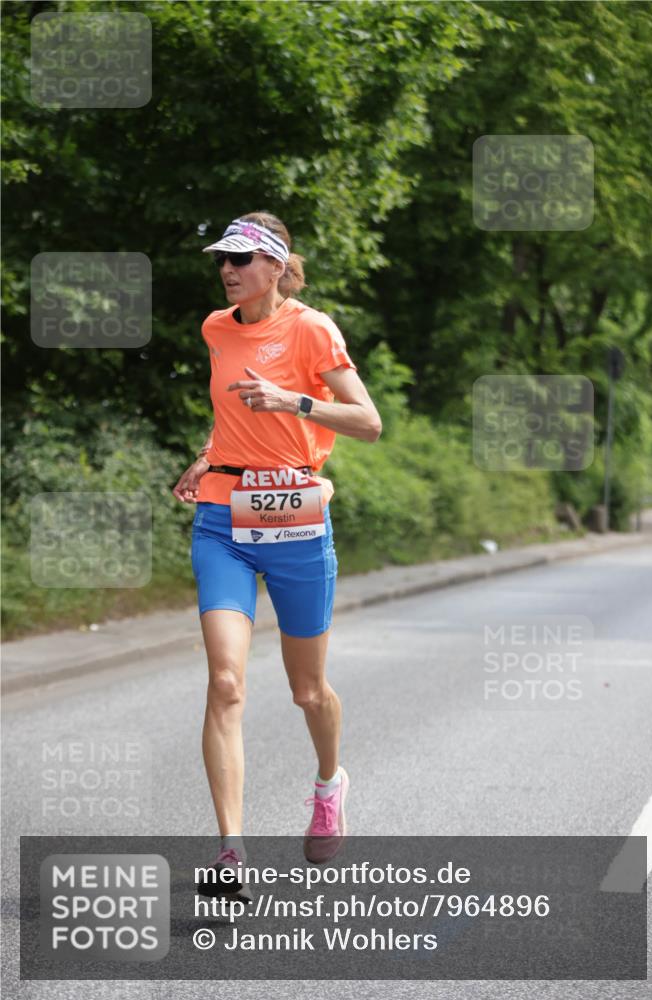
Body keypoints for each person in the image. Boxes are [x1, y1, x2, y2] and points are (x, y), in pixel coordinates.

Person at [172, 212, 381, 898]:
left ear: (274, 265)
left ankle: (329, 782)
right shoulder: (215, 327)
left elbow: (368, 423)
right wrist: (205, 458)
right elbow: (229, 413)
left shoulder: (310, 328)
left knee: (305, 691)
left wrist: (293, 401)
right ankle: (230, 853)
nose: (227, 270)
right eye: (221, 260)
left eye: (240, 259)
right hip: (222, 517)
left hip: (295, 520)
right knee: (226, 683)